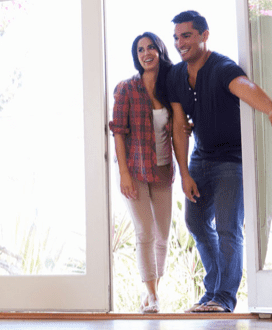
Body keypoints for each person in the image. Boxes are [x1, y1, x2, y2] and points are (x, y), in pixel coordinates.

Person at [165, 10, 272, 313]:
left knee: (228, 228)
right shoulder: (175, 75)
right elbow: (178, 125)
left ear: (203, 35)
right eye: (176, 37)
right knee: (196, 222)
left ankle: (223, 298)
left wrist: (271, 110)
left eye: (186, 35)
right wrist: (185, 173)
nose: (180, 43)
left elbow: (245, 87)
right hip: (201, 158)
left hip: (231, 161)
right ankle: (213, 290)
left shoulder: (221, 66)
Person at [108, 32, 176, 314]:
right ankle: (152, 295)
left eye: (151, 48)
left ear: (160, 51)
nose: (146, 53)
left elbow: (182, 124)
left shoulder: (171, 87)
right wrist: (124, 173)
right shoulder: (126, 88)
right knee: (145, 232)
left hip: (162, 167)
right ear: (136, 57)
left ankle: (152, 293)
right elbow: (118, 132)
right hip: (134, 168)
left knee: (163, 235)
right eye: (140, 50)